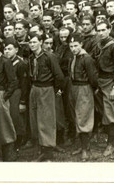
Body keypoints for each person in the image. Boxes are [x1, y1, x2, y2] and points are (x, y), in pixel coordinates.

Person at [26, 32, 65, 161]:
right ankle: (41, 148)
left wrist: (58, 90)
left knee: (46, 119)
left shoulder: (49, 57)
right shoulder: (31, 58)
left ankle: (48, 152)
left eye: (34, 42)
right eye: (30, 42)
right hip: (35, 89)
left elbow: (59, 75)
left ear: (41, 42)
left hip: (46, 89)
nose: (32, 45)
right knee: (35, 118)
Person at [92, 20, 114, 157]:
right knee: (103, 111)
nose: (101, 33)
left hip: (111, 81)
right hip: (100, 81)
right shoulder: (98, 44)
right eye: (98, 30)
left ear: (109, 30)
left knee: (111, 112)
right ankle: (111, 140)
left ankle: (111, 143)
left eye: (103, 30)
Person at [66, 33, 98, 161]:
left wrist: (93, 89)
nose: (73, 48)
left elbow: (93, 77)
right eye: (71, 46)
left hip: (83, 88)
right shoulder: (72, 58)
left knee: (83, 116)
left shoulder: (87, 58)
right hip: (73, 88)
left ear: (81, 44)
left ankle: (85, 149)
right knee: (76, 116)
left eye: (76, 45)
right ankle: (82, 145)